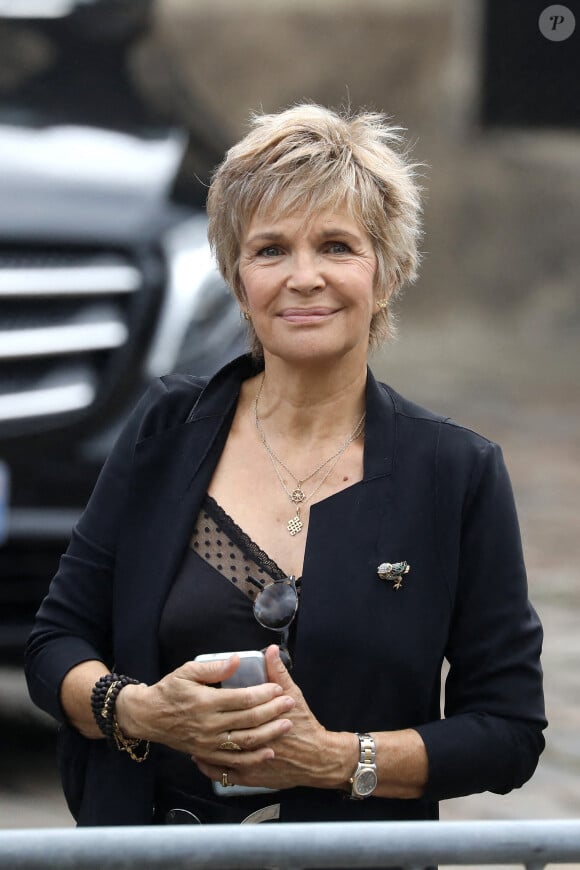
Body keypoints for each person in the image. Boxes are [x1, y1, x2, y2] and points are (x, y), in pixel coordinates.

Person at [25, 104, 546, 829]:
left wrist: (335, 760)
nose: (304, 278)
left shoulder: (454, 473)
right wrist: (143, 711)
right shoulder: (165, 431)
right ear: (238, 281)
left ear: (388, 274)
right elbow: (55, 646)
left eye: (336, 246)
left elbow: (507, 733)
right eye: (270, 251)